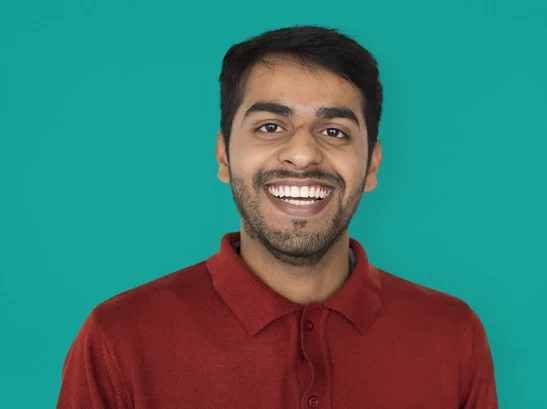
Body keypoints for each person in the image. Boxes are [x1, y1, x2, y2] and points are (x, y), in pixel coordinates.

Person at [57, 25, 498, 409]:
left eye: (334, 131)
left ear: (372, 167)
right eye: (270, 126)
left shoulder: (453, 333)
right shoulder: (118, 339)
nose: (303, 155)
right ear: (223, 156)